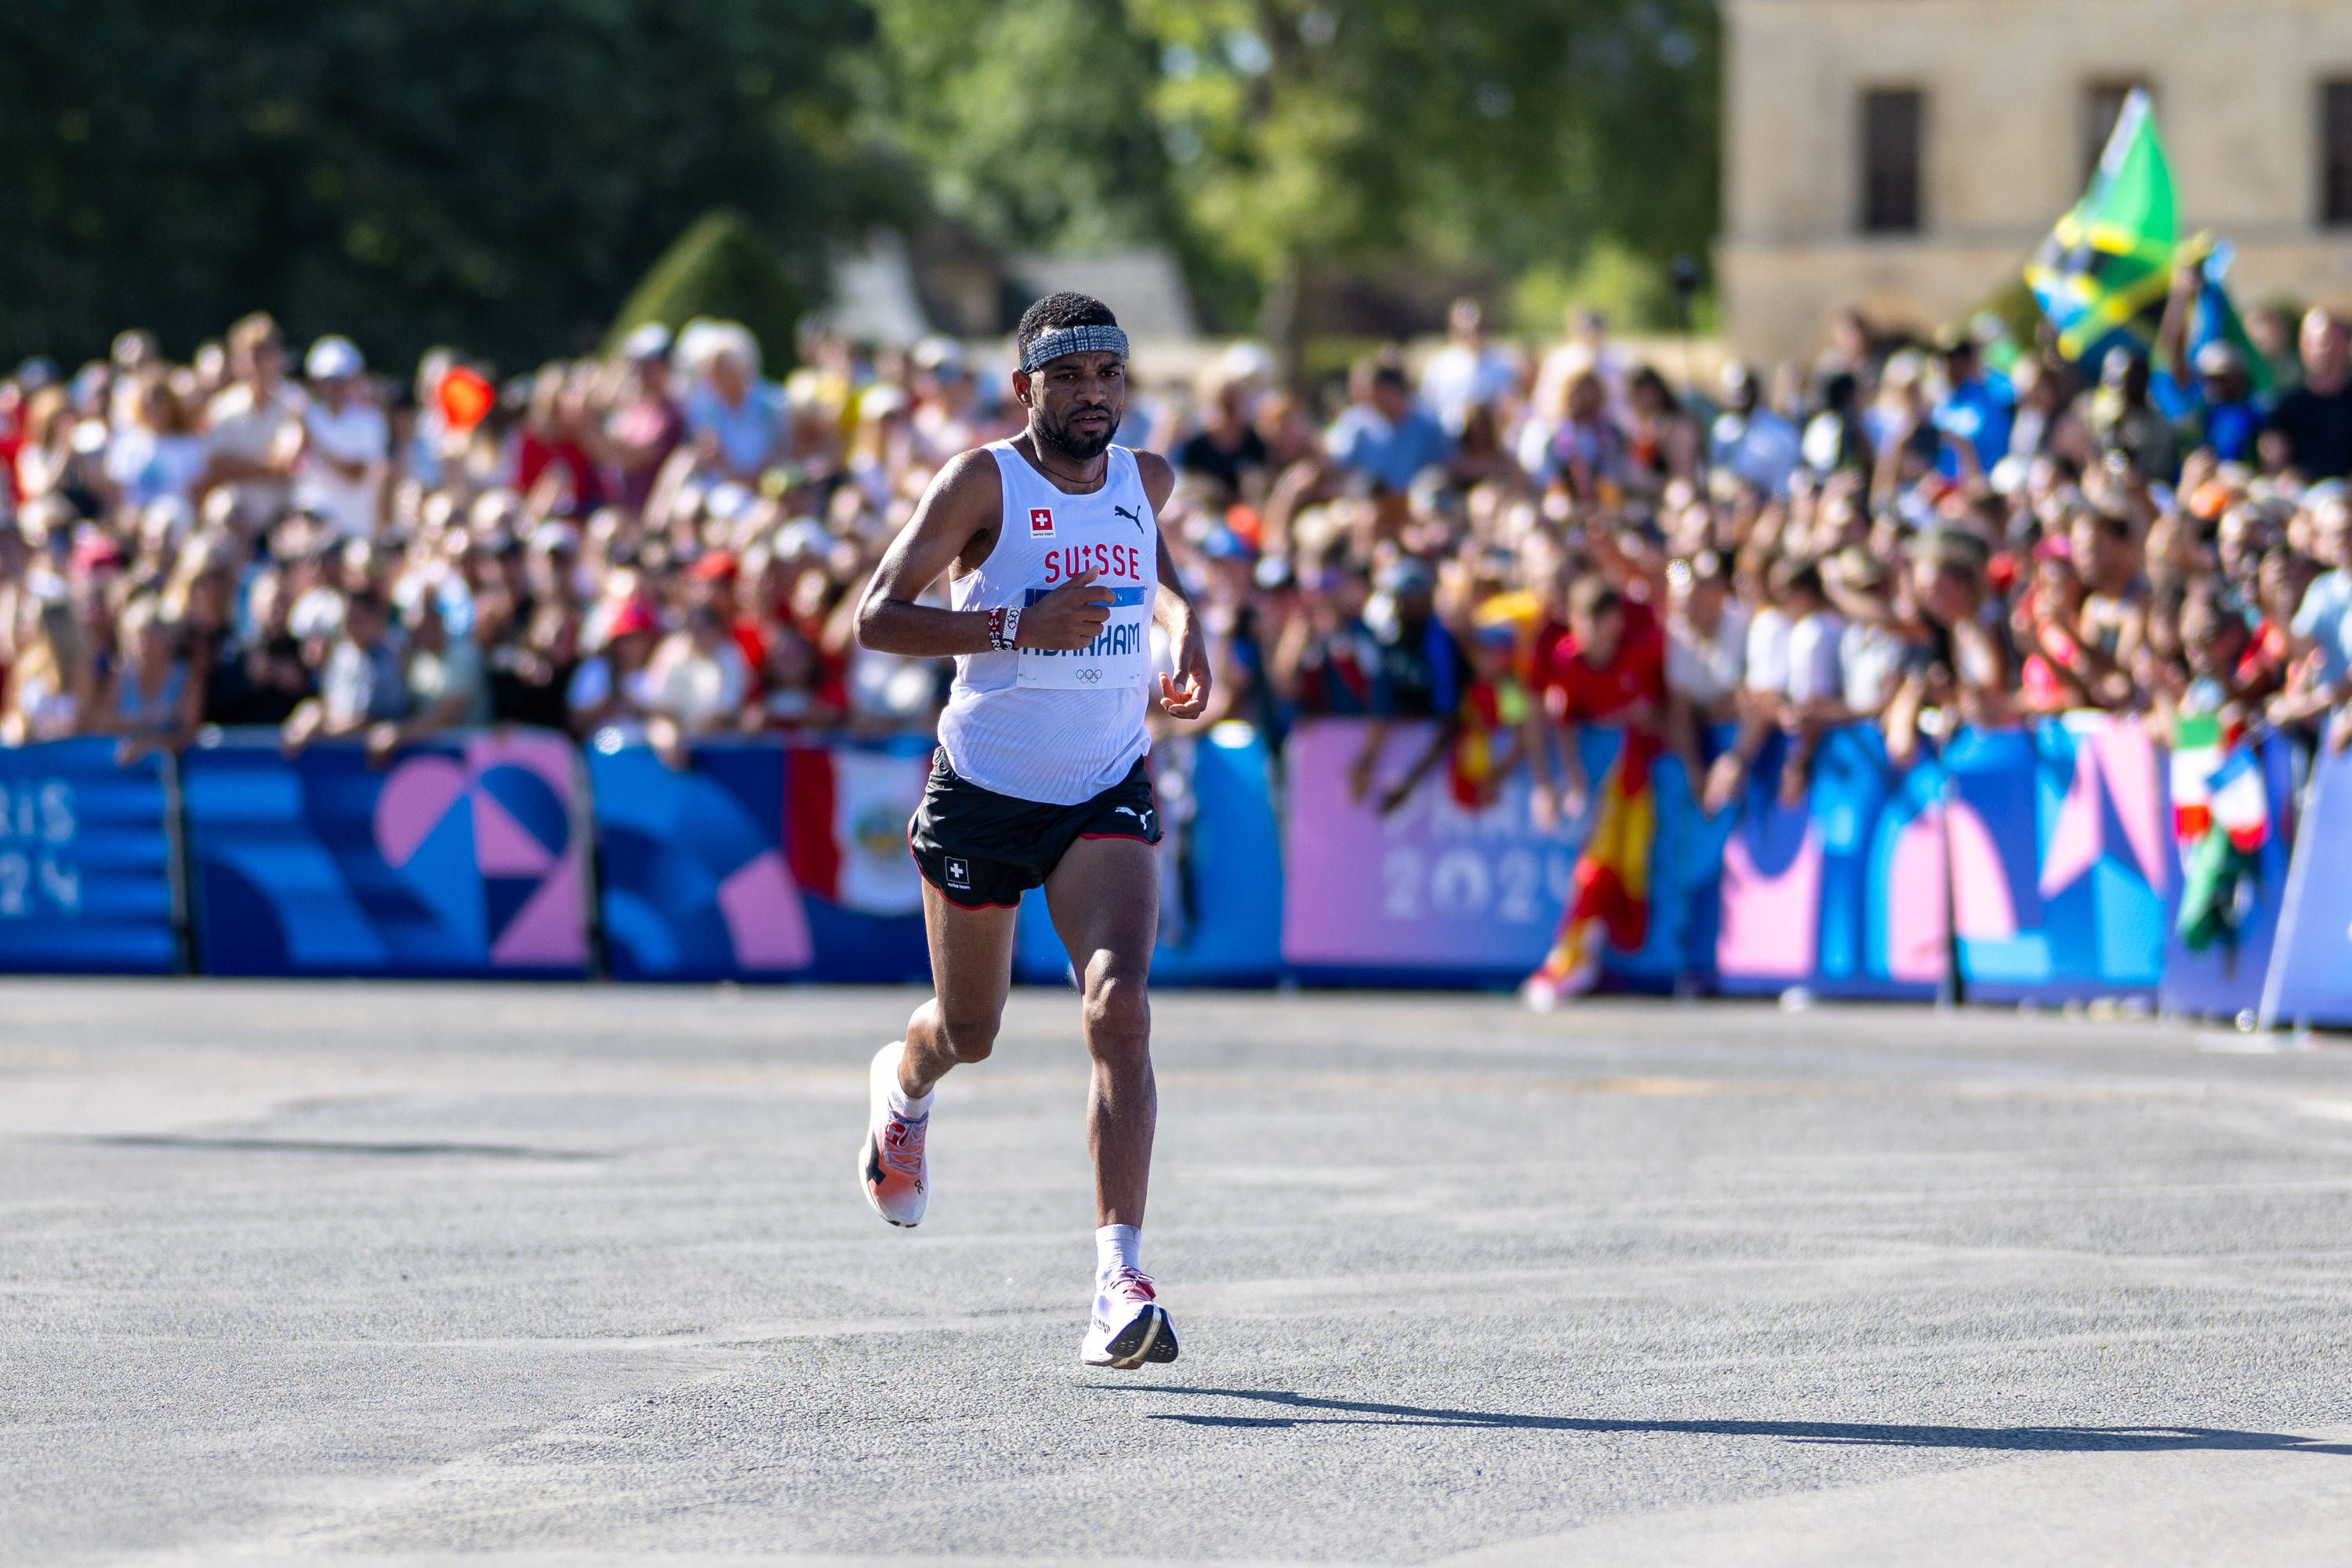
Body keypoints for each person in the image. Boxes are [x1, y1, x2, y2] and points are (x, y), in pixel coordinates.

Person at [852, 292, 1210, 1370]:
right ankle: (903, 1090)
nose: (1094, 396)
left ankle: (1118, 1280)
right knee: (971, 1031)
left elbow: (1156, 577)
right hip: (984, 788)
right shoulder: (981, 482)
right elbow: (875, 615)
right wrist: (1017, 623)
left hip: (1105, 784)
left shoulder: (1149, 480)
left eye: (1109, 376)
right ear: (1028, 389)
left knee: (1122, 1009)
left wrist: (1185, 627)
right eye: (1070, 379)